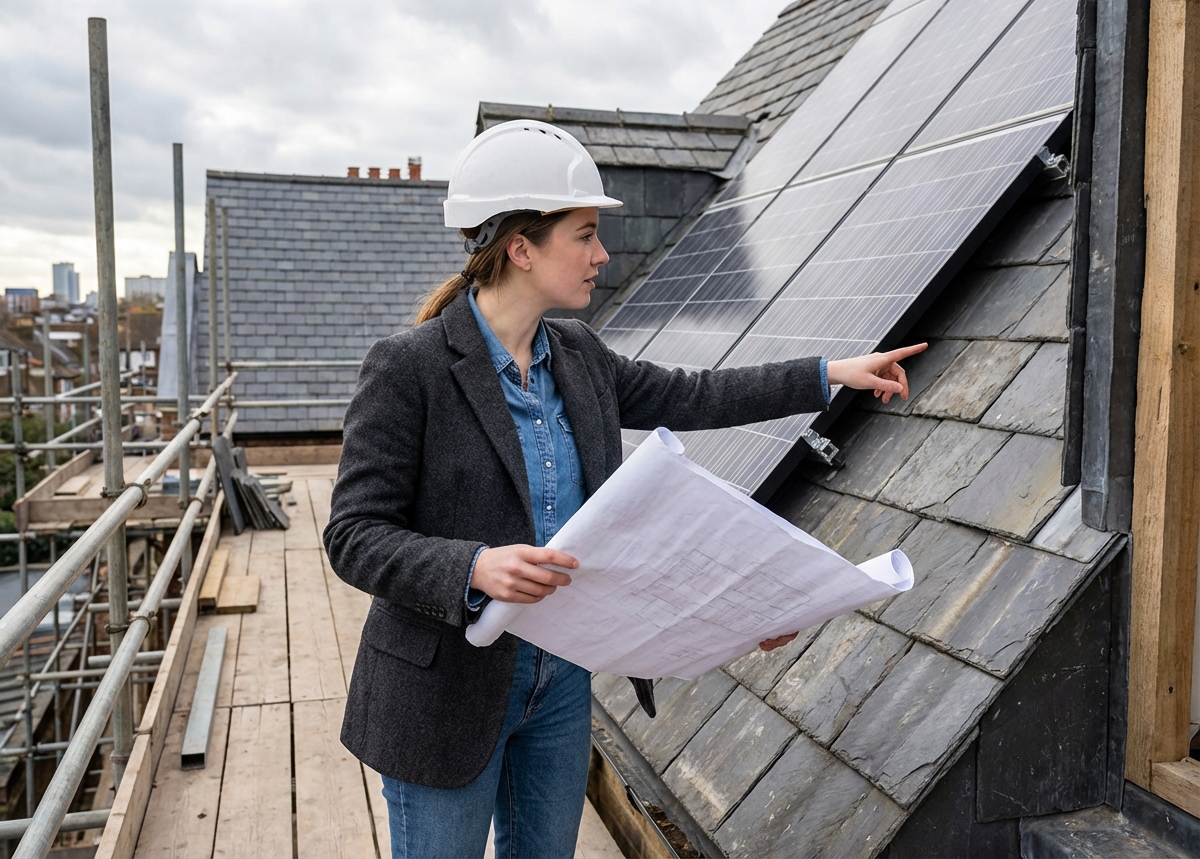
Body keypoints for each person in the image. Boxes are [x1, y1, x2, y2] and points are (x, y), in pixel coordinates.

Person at [323, 120, 926, 859]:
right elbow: (353, 536)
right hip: (443, 693)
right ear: (521, 248)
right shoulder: (408, 368)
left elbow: (696, 395)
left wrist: (829, 373)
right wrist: (474, 566)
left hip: (559, 683)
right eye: (583, 234)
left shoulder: (577, 355)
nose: (602, 254)